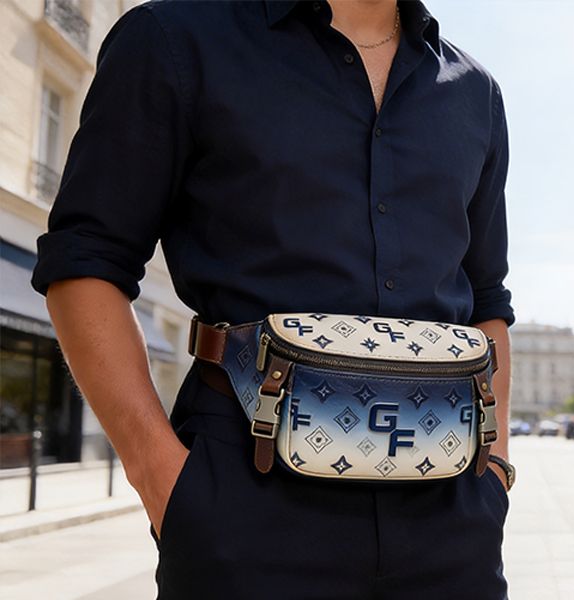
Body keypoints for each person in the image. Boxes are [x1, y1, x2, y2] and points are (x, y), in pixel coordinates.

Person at [30, 1, 515, 598]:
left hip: (452, 517)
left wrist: (493, 474)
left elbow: (487, 301)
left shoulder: (477, 95)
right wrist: (161, 478)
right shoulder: (174, 38)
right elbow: (87, 261)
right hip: (245, 508)